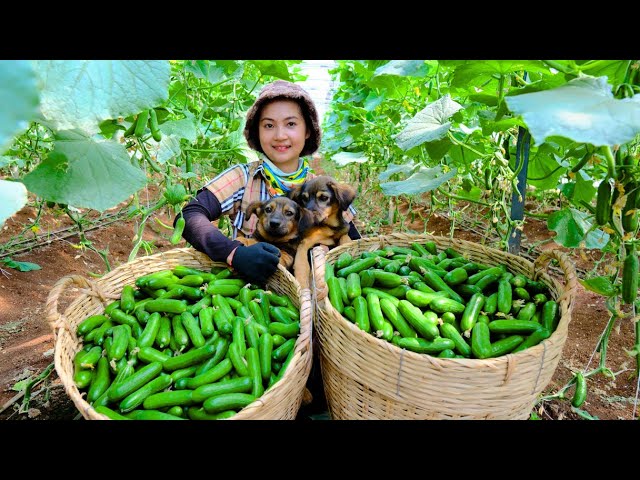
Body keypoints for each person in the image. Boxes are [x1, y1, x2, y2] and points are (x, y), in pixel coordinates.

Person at [179, 79, 360, 286]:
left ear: (307, 130)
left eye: (291, 124)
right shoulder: (243, 177)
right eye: (268, 125)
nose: (280, 135)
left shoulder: (321, 190)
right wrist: (233, 253)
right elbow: (190, 215)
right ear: (257, 131)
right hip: (250, 288)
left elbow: (350, 238)